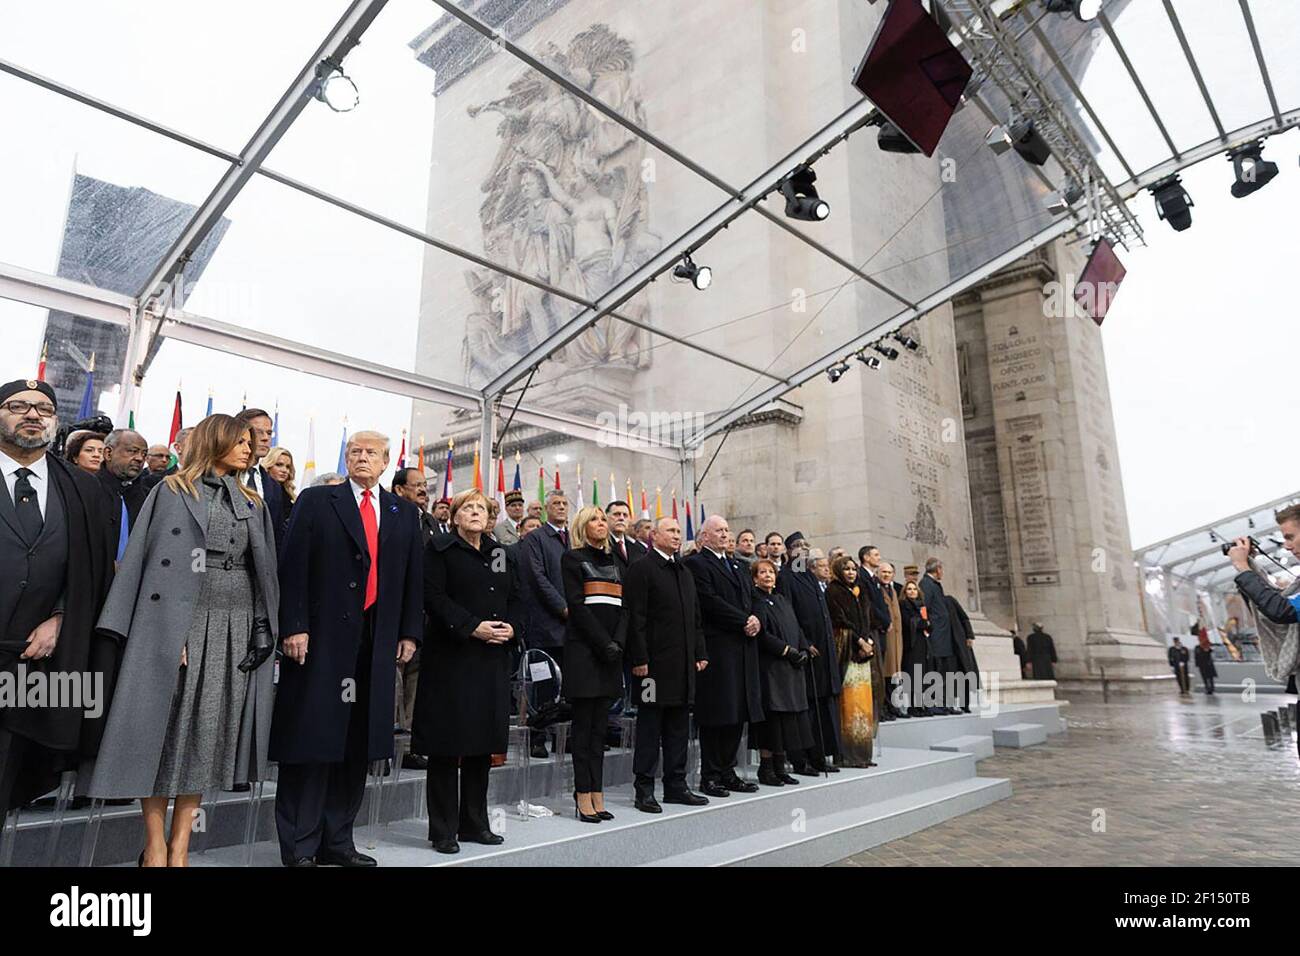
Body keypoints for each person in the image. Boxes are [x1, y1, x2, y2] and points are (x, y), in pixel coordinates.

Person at [87, 414, 279, 867]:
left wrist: (261, 627)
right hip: (177, 620)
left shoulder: (253, 501)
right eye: (240, 441)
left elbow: (262, 573)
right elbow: (144, 561)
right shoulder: (170, 491)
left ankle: (181, 849)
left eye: (251, 443)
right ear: (216, 441)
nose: (249, 449)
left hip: (233, 624)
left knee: (207, 736)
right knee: (161, 733)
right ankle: (154, 847)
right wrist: (162, 632)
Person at [270, 430, 423, 867]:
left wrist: (409, 633)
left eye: (370, 452)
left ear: (386, 461)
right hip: (320, 644)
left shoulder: (402, 512)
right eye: (354, 451)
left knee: (357, 745)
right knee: (312, 740)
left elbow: (413, 579)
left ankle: (337, 842)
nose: (361, 457)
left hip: (375, 646)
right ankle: (300, 847)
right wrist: (294, 626)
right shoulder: (318, 502)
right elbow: (293, 565)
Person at [0, 380, 117, 818]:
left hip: (36, 667)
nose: (33, 414)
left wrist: (64, 616)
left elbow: (92, 571)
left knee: (9, 775)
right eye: (19, 405)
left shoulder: (82, 489)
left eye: (45, 409)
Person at [413, 489, 521, 853]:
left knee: (481, 744)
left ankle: (474, 823)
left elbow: (517, 599)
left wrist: (512, 628)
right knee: (446, 746)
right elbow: (433, 596)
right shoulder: (439, 549)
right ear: (454, 516)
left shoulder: (501, 554)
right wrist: (472, 626)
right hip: (452, 658)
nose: (476, 513)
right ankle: (443, 829)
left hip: (492, 659)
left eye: (482, 509)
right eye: (468, 508)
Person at [623, 516, 709, 813]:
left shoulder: (683, 571)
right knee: (650, 726)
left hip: (682, 666)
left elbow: (696, 619)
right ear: (654, 536)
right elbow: (636, 619)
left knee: (677, 727)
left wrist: (700, 652)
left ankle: (676, 785)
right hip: (651, 667)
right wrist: (639, 659)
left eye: (678, 531)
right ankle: (644, 788)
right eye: (670, 530)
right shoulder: (641, 569)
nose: (676, 535)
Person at [686, 514, 763, 796]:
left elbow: (753, 598)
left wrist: (757, 618)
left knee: (737, 712)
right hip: (717, 647)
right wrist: (744, 619)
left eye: (727, 530)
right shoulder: (696, 563)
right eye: (718, 530)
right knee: (717, 712)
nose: (724, 534)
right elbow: (708, 601)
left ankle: (728, 771)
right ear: (704, 536)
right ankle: (710, 774)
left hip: (743, 647)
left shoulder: (738, 566)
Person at [561, 506, 625, 823]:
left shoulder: (616, 560)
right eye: (595, 520)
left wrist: (619, 643)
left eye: (604, 519)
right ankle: (582, 794)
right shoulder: (573, 559)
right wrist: (604, 643)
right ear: (583, 527)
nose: (601, 524)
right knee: (584, 730)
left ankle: (598, 794)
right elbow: (577, 607)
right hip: (586, 653)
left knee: (601, 730)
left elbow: (627, 607)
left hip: (612, 653)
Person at [778, 535, 841, 773]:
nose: (803, 550)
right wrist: (804, 642)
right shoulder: (786, 576)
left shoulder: (809, 576)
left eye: (806, 546)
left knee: (821, 705)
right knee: (806, 708)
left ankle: (819, 755)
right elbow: (789, 614)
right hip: (805, 651)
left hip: (823, 651)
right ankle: (800, 758)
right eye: (798, 547)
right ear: (789, 551)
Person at [749, 559, 812, 785]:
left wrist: (803, 648)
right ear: (754, 578)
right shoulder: (756, 600)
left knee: (787, 720)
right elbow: (762, 635)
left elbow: (796, 626)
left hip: (791, 668)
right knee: (772, 719)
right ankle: (766, 769)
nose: (768, 576)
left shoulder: (782, 599)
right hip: (772, 667)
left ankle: (780, 765)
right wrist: (786, 651)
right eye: (762, 573)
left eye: (771, 572)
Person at [519, 488, 570, 757]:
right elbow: (537, 579)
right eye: (556, 504)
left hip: (572, 627)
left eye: (564, 503)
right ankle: (536, 738)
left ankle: (568, 736)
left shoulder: (574, 538)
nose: (561, 507)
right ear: (546, 508)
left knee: (571, 686)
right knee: (542, 684)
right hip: (544, 625)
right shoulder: (535, 538)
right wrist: (562, 606)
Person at [389, 467, 433, 748]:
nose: (423, 490)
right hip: (395, 606)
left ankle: (408, 741)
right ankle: (387, 737)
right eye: (416, 485)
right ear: (399, 489)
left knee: (416, 674)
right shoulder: (390, 515)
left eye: (425, 485)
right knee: (394, 672)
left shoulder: (431, 522)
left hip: (424, 610)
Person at [826, 557, 878, 768]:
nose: (850, 573)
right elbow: (839, 620)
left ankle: (863, 754)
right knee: (849, 704)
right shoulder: (833, 591)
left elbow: (868, 618)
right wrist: (858, 640)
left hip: (863, 652)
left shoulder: (861, 590)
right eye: (846, 569)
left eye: (853, 569)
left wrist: (867, 639)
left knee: (864, 704)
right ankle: (847, 755)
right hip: (847, 652)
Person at [234, 409, 287, 548]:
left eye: (269, 433)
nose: (266, 438)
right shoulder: (223, 476)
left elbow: (276, 534)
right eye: (258, 432)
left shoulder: (274, 487)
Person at [98, 428, 149, 560]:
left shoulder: (146, 498)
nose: (139, 459)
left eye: (144, 454)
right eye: (132, 451)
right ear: (108, 453)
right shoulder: (87, 490)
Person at [919, 559, 962, 714]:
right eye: (941, 569)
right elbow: (924, 608)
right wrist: (928, 627)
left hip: (943, 637)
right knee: (935, 671)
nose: (942, 572)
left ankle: (944, 702)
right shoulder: (926, 584)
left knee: (944, 671)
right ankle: (934, 703)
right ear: (937, 569)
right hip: (936, 636)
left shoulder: (935, 585)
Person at [898, 580, 933, 715]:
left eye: (914, 589)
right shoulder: (903, 605)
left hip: (922, 643)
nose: (912, 591)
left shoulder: (921, 606)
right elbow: (909, 622)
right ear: (905, 592)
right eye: (909, 589)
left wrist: (923, 623)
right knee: (912, 675)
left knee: (921, 674)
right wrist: (923, 623)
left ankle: (920, 705)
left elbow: (929, 624)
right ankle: (912, 706)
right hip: (911, 644)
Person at [877, 561, 906, 718]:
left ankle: (895, 707)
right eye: (883, 572)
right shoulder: (878, 589)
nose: (886, 575)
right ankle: (886, 706)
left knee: (895, 673)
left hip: (896, 638)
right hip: (885, 637)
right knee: (886, 673)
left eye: (889, 572)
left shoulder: (894, 590)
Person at [945, 593, 979, 713]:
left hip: (959, 642)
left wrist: (969, 635)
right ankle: (951, 703)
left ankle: (965, 703)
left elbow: (964, 617)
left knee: (963, 672)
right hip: (945, 645)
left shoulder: (949, 600)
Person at [606, 499, 647, 569]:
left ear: (629, 520)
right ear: (606, 518)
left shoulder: (639, 549)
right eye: (616, 514)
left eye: (625, 515)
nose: (621, 518)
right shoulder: (601, 545)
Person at [1194, 630, 1217, 695]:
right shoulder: (1197, 647)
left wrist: (1207, 648)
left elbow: (1210, 651)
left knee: (1210, 677)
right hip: (1202, 665)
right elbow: (1196, 656)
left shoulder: (1207, 647)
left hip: (1209, 664)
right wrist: (1197, 664)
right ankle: (1207, 688)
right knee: (1204, 678)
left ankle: (1211, 688)